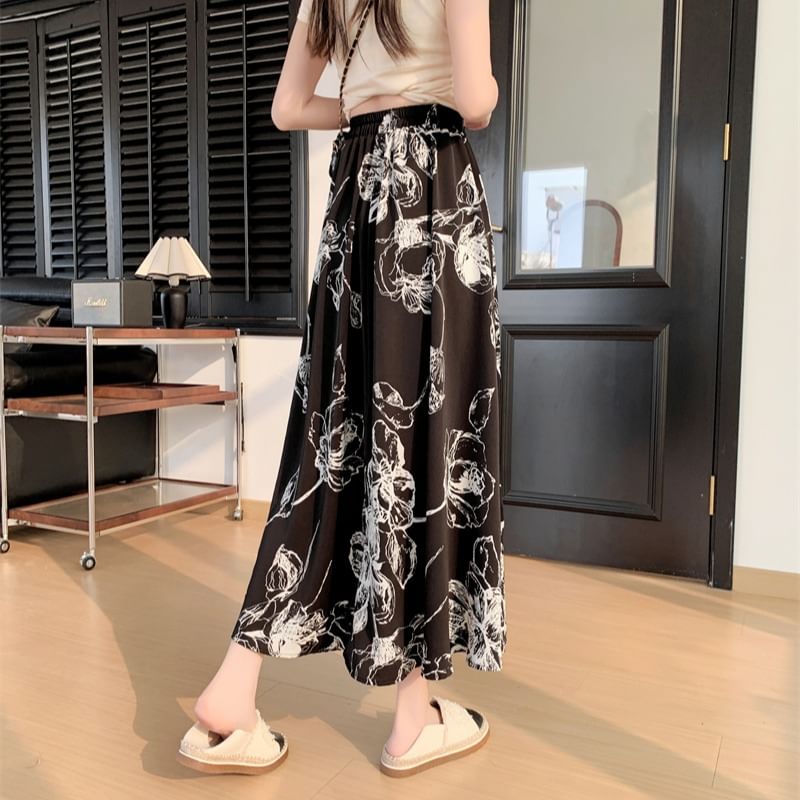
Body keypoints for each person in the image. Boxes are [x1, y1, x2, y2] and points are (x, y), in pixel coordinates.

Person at [177, 0, 506, 778]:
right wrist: (422, 96)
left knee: (334, 439)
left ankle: (237, 682)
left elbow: (289, 107)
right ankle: (413, 716)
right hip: (429, 198)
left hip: (355, 199)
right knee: (432, 437)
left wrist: (366, 107)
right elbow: (476, 100)